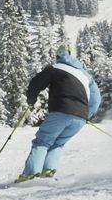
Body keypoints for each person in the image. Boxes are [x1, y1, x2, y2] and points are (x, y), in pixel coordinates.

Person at [17, 49, 102, 183]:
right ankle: (48, 171)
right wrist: (86, 115)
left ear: (58, 57)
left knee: (42, 141)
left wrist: (31, 99)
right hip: (79, 118)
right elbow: (96, 99)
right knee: (58, 143)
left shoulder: (55, 68)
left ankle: (30, 174)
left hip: (61, 111)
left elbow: (36, 83)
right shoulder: (85, 75)